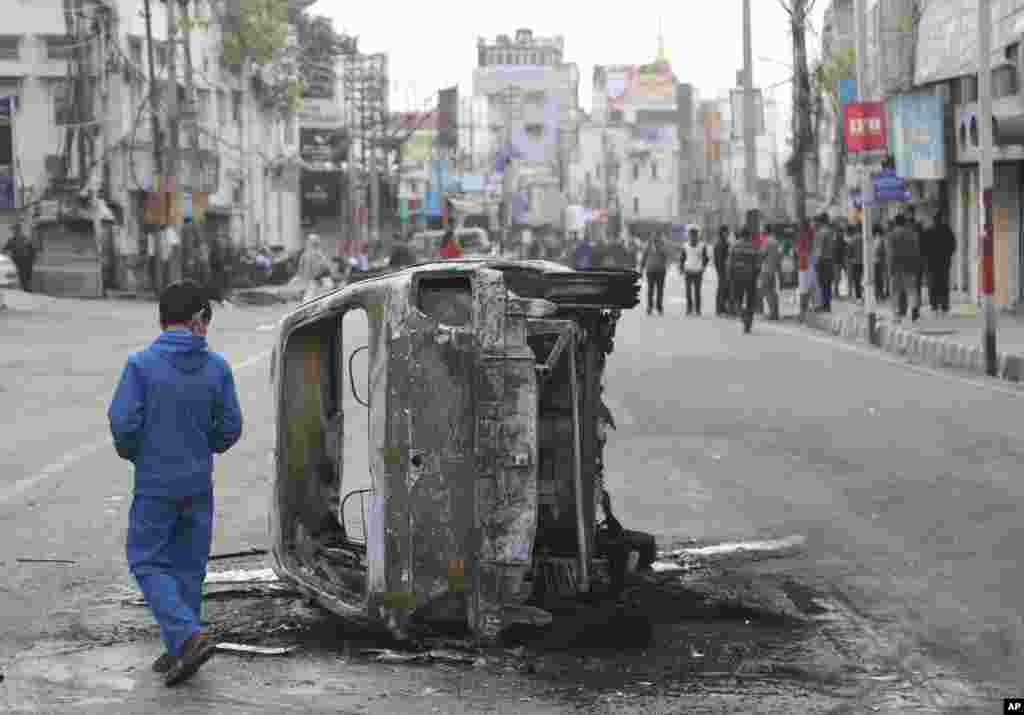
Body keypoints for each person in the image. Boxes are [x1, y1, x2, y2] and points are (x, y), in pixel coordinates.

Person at [108, 280, 242, 686]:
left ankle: (187, 636)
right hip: (198, 484)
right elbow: (231, 426)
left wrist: (138, 453)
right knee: (188, 566)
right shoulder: (217, 367)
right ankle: (180, 644)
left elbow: (122, 422)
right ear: (199, 319)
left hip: (155, 484)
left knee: (147, 561)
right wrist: (206, 446)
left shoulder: (140, 364)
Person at [887, 214, 922, 322]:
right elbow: (917, 251)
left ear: (895, 223)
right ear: (905, 222)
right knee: (912, 290)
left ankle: (896, 315)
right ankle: (914, 311)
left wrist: (889, 269)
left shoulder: (891, 235)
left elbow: (890, 253)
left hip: (896, 266)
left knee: (895, 292)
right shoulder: (912, 234)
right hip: (910, 266)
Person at [727, 227, 762, 334]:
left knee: (737, 299)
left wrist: (730, 276)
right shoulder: (754, 247)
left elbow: (730, 264)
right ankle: (749, 322)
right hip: (750, 277)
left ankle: (743, 316)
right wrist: (756, 275)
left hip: (737, 277)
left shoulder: (734, 246)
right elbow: (758, 264)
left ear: (740, 235)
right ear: (749, 236)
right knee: (751, 301)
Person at [924, 212, 956, 313]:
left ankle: (934, 305)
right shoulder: (947, 230)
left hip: (931, 263)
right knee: (943, 284)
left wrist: (927, 258)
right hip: (943, 262)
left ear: (933, 220)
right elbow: (953, 245)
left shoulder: (928, 231)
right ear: (941, 219)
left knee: (933, 284)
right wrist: (948, 255)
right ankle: (944, 305)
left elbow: (923, 247)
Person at [679, 227, 709, 316]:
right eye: (691, 235)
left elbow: (705, 258)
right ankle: (689, 309)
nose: (693, 237)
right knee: (688, 292)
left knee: (697, 292)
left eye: (694, 235)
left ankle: (698, 309)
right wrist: (681, 268)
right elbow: (682, 258)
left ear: (697, 236)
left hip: (698, 271)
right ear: (689, 236)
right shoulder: (685, 246)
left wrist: (703, 267)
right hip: (688, 271)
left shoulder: (702, 246)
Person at [640, 233, 669, 316]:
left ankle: (659, 307)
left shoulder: (663, 247)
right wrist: (641, 269)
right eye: (654, 240)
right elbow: (644, 258)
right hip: (650, 270)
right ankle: (649, 307)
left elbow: (667, 256)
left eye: (657, 240)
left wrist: (661, 248)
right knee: (650, 290)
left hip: (660, 271)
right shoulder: (648, 247)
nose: (656, 242)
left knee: (660, 290)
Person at [4, 222, 36, 292]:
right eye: (14, 230)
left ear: (19, 230)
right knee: (22, 277)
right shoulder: (12, 240)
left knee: (25, 277)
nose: (15, 231)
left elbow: (32, 250)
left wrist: (32, 260)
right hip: (18, 261)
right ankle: (25, 289)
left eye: (15, 230)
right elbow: (4, 250)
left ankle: (26, 289)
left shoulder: (24, 239)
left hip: (25, 261)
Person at [759, 224, 782, 321]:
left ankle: (773, 313)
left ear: (765, 231)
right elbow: (778, 256)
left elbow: (762, 255)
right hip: (773, 269)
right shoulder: (776, 241)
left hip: (766, 269)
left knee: (766, 290)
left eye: (762, 230)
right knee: (772, 291)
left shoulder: (766, 241)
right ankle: (775, 312)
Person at [813, 214, 835, 312]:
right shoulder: (830, 232)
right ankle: (827, 305)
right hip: (830, 260)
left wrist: (816, 262)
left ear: (820, 222)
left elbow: (819, 250)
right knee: (827, 284)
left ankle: (823, 305)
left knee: (821, 284)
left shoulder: (821, 233)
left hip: (822, 261)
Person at [797, 219, 814, 321]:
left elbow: (803, 250)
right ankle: (804, 311)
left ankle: (803, 312)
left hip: (804, 263)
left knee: (803, 289)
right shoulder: (811, 234)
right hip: (809, 262)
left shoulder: (803, 235)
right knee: (807, 288)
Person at [713, 225, 731, 316]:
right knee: (722, 289)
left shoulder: (724, 243)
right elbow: (719, 259)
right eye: (726, 232)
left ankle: (722, 308)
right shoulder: (721, 244)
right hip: (723, 270)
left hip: (723, 269)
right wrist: (722, 271)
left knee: (724, 289)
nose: (727, 233)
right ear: (722, 233)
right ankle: (719, 309)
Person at [846, 223, 864, 302]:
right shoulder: (865, 238)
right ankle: (863, 294)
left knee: (857, 280)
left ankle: (858, 297)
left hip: (855, 262)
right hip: (864, 262)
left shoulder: (852, 239)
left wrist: (849, 259)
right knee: (863, 278)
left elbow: (849, 252)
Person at [873, 223, 889, 302]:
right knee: (879, 279)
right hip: (879, 261)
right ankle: (880, 294)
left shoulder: (876, 239)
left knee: (877, 279)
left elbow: (879, 250)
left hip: (876, 261)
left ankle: (878, 295)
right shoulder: (881, 239)